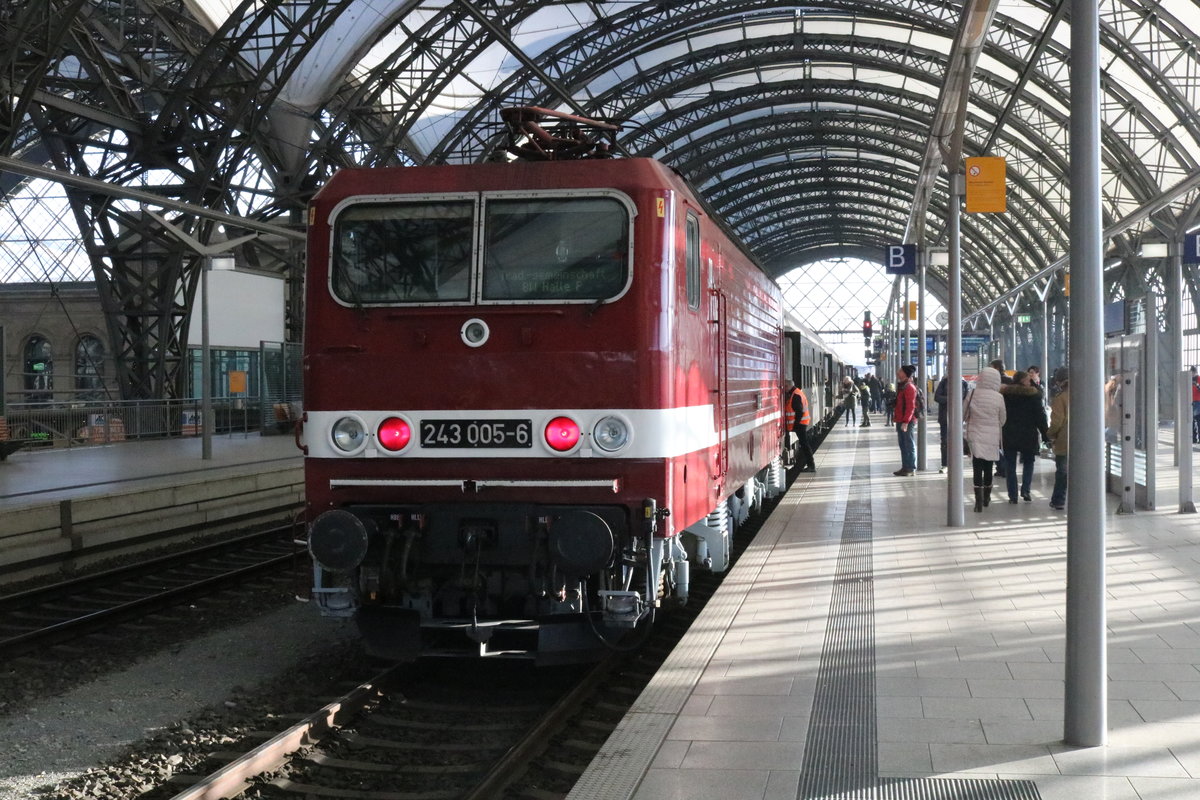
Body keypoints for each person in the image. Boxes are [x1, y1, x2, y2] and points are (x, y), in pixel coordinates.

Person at [1000, 370, 1049, 503]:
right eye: (1028, 380)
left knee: (1010, 465)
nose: (1030, 382)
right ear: (1023, 381)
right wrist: (1045, 434)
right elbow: (1040, 417)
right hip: (1028, 434)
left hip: (1009, 433)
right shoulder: (1033, 396)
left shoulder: (1005, 395)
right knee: (1029, 462)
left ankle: (1013, 495)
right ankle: (1026, 490)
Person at [964, 366, 1006, 512]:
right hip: (992, 436)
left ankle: (978, 501)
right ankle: (987, 497)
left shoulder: (972, 393)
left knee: (977, 466)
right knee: (989, 467)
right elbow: (1003, 419)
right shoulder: (999, 397)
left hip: (975, 434)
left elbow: (963, 414)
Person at [934, 373, 968, 473]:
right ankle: (945, 464)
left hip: (958, 418)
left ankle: (957, 463)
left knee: (957, 441)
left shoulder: (963, 383)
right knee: (944, 441)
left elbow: (965, 400)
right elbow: (937, 397)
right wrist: (952, 399)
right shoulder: (944, 382)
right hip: (944, 418)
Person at [1046, 367, 1069, 510]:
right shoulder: (1089, 394)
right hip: (1088, 443)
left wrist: (1050, 435)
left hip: (1065, 440)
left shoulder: (1060, 398)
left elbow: (1056, 422)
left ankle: (1058, 500)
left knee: (1062, 472)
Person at [784, 379, 816, 473]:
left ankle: (811, 465)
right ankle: (809, 465)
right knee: (804, 444)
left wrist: (795, 425)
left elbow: (799, 411)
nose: (784, 389)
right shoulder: (796, 392)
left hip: (800, 424)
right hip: (801, 423)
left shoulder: (796, 395)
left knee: (804, 444)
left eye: (785, 386)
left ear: (789, 386)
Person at [892, 364, 918, 476]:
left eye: (900, 371)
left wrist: (906, 422)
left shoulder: (909, 387)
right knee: (903, 444)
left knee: (908, 444)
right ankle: (905, 467)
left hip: (907, 421)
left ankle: (911, 468)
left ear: (905, 374)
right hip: (900, 419)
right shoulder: (903, 386)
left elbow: (910, 406)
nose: (898, 372)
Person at [1191, 366, 1200, 444]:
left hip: (1198, 402)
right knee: (1191, 422)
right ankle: (1193, 438)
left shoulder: (1199, 379)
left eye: (1193, 373)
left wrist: (1197, 385)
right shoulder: (1188, 380)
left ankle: (1198, 439)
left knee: (1198, 421)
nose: (1192, 374)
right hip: (1190, 402)